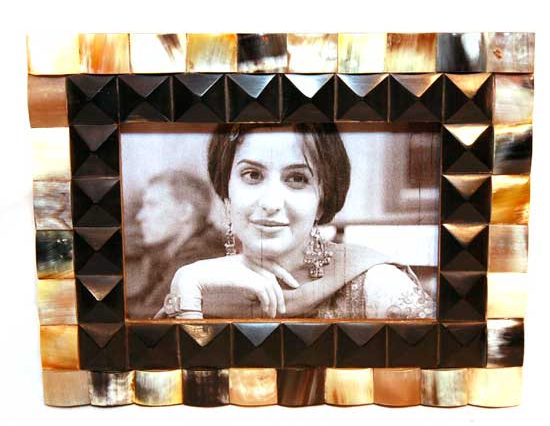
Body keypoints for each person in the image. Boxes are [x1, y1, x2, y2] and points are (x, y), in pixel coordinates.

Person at [160, 124, 435, 320]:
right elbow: (186, 377)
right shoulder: (203, 287)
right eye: (252, 175)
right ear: (226, 192)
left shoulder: (376, 287)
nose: (271, 202)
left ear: (322, 201)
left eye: (297, 179)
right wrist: (187, 281)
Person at [126, 170, 225, 319]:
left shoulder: (202, 258)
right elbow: (141, 303)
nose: (140, 216)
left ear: (184, 212)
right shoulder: (174, 254)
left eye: (151, 205)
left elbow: (155, 314)